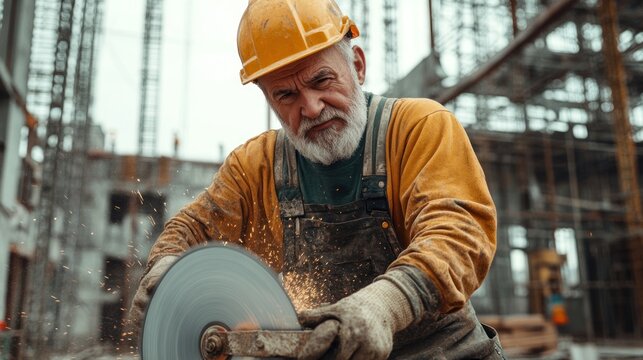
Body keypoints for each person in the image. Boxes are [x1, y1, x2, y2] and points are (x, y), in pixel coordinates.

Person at [129, 0, 506, 358]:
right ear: (269, 99)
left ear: (357, 65)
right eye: (286, 95)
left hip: (444, 352)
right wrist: (167, 268)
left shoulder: (418, 128)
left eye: (322, 80)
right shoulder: (254, 167)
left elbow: (457, 233)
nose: (310, 107)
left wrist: (384, 305)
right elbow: (191, 231)